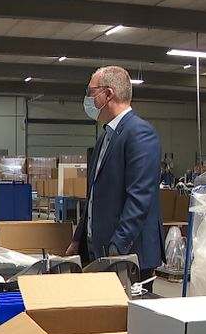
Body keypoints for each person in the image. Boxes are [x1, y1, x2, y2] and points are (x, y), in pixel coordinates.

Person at [65, 66, 164, 290]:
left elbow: (139, 198)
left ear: (108, 94)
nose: (88, 99)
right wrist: (78, 238)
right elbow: (94, 196)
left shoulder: (140, 133)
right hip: (102, 255)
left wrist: (117, 249)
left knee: (129, 322)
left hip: (128, 258)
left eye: (91, 93)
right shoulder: (105, 137)